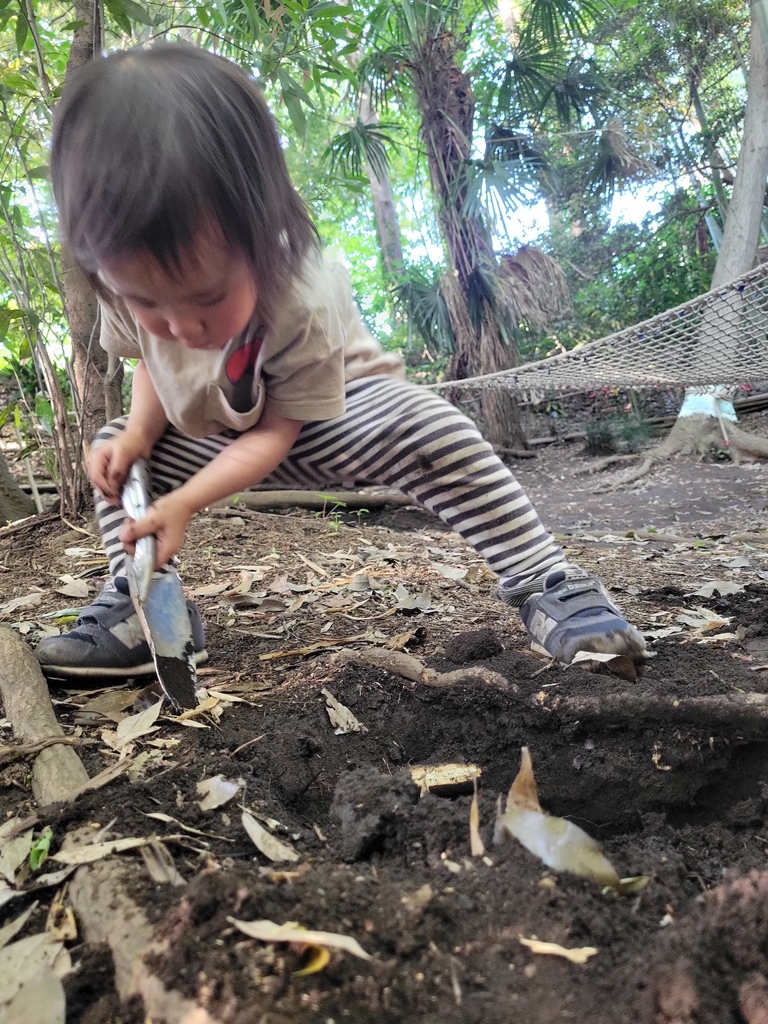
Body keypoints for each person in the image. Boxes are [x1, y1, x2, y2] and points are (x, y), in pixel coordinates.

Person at [36, 43, 646, 680]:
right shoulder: (125, 284)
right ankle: (147, 608)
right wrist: (136, 434)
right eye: (148, 302)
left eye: (210, 298)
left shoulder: (300, 288)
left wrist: (186, 501)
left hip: (342, 417)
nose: (182, 326)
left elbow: (280, 433)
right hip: (223, 438)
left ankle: (545, 578)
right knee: (119, 455)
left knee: (436, 429)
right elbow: (147, 367)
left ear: (262, 232)